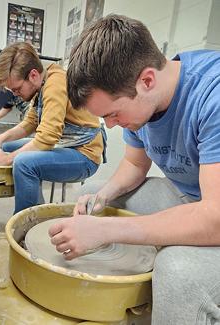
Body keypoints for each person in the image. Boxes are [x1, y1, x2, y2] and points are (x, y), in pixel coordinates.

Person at [48, 14, 220, 325]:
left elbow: (214, 218)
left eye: (113, 114)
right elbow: (134, 164)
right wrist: (103, 195)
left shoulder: (213, 96)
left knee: (177, 270)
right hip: (192, 197)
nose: (111, 125)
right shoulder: (142, 98)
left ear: (147, 80)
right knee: (90, 194)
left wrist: (105, 231)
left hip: (215, 212)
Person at [0, 42, 106, 214]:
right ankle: (37, 207)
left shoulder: (55, 84)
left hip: (84, 155)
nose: (15, 94)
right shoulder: (42, 82)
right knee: (7, 147)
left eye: (17, 89)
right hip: (65, 145)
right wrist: (0, 139)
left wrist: (7, 159)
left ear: (33, 75)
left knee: (22, 163)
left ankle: (24, 226)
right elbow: (29, 124)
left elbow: (47, 138)